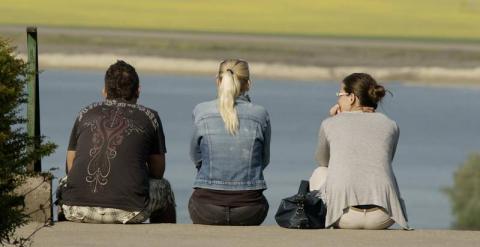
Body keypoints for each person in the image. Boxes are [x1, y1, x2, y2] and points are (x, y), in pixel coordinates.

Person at [56, 60, 176, 224]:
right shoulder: (150, 117)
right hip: (130, 211)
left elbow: (71, 167)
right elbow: (157, 172)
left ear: (104, 91)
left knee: (64, 184)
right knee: (165, 188)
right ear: (138, 91)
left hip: (75, 209)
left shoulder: (85, 113)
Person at [309, 73, 409, 230]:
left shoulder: (329, 123)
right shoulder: (391, 125)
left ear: (351, 98)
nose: (337, 99)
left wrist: (337, 120)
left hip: (344, 217)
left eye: (339, 94)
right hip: (383, 217)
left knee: (319, 172)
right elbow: (384, 159)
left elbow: (323, 161)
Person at [188, 59, 271, 225]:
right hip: (249, 210)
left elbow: (196, 156)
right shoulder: (261, 114)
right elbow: (264, 160)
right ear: (248, 84)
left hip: (205, 208)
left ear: (218, 81)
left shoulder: (201, 111)